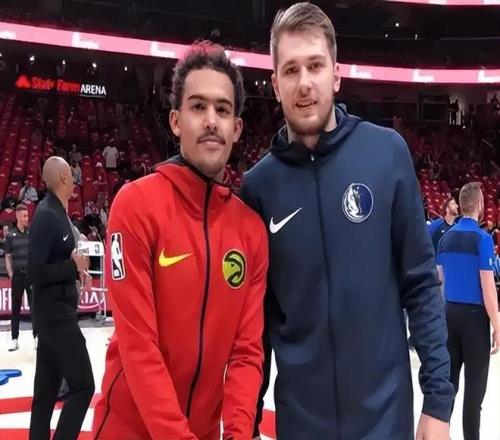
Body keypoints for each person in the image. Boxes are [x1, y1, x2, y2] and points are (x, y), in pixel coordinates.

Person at [240, 3, 454, 439]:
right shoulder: (259, 188)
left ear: (336, 75)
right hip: (301, 425)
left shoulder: (386, 154)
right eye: (291, 69)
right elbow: (257, 325)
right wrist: (247, 420)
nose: (304, 82)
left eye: (315, 66)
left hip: (385, 421)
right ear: (275, 84)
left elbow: (420, 284)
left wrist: (438, 403)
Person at [92, 42, 268, 440]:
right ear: (175, 121)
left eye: (223, 109)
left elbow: (246, 353)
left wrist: (238, 434)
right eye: (198, 106)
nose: (211, 120)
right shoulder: (135, 205)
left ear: (237, 128)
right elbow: (139, 346)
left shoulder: (251, 231)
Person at [28, 156, 95, 440]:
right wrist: (71, 266)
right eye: (72, 175)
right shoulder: (47, 215)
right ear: (65, 177)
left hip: (53, 315)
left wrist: (77, 270)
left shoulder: (56, 212)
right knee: (83, 386)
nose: (76, 181)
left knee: (45, 394)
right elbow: (34, 272)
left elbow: (57, 260)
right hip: (56, 317)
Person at [437, 182, 499, 440]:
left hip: (449, 316)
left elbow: (439, 280)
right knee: (473, 395)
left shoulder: (445, 238)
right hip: (475, 322)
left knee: (447, 388)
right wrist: (497, 325)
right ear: (480, 205)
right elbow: (488, 288)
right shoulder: (483, 240)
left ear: (461, 205)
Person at [5, 204, 34, 351]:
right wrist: (10, 273)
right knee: (15, 308)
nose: (27, 218)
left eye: (27, 216)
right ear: (17, 217)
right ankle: (14, 339)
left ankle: (37, 338)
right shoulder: (10, 235)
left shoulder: (32, 234)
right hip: (17, 276)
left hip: (30, 276)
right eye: (24, 216)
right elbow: (8, 256)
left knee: (34, 308)